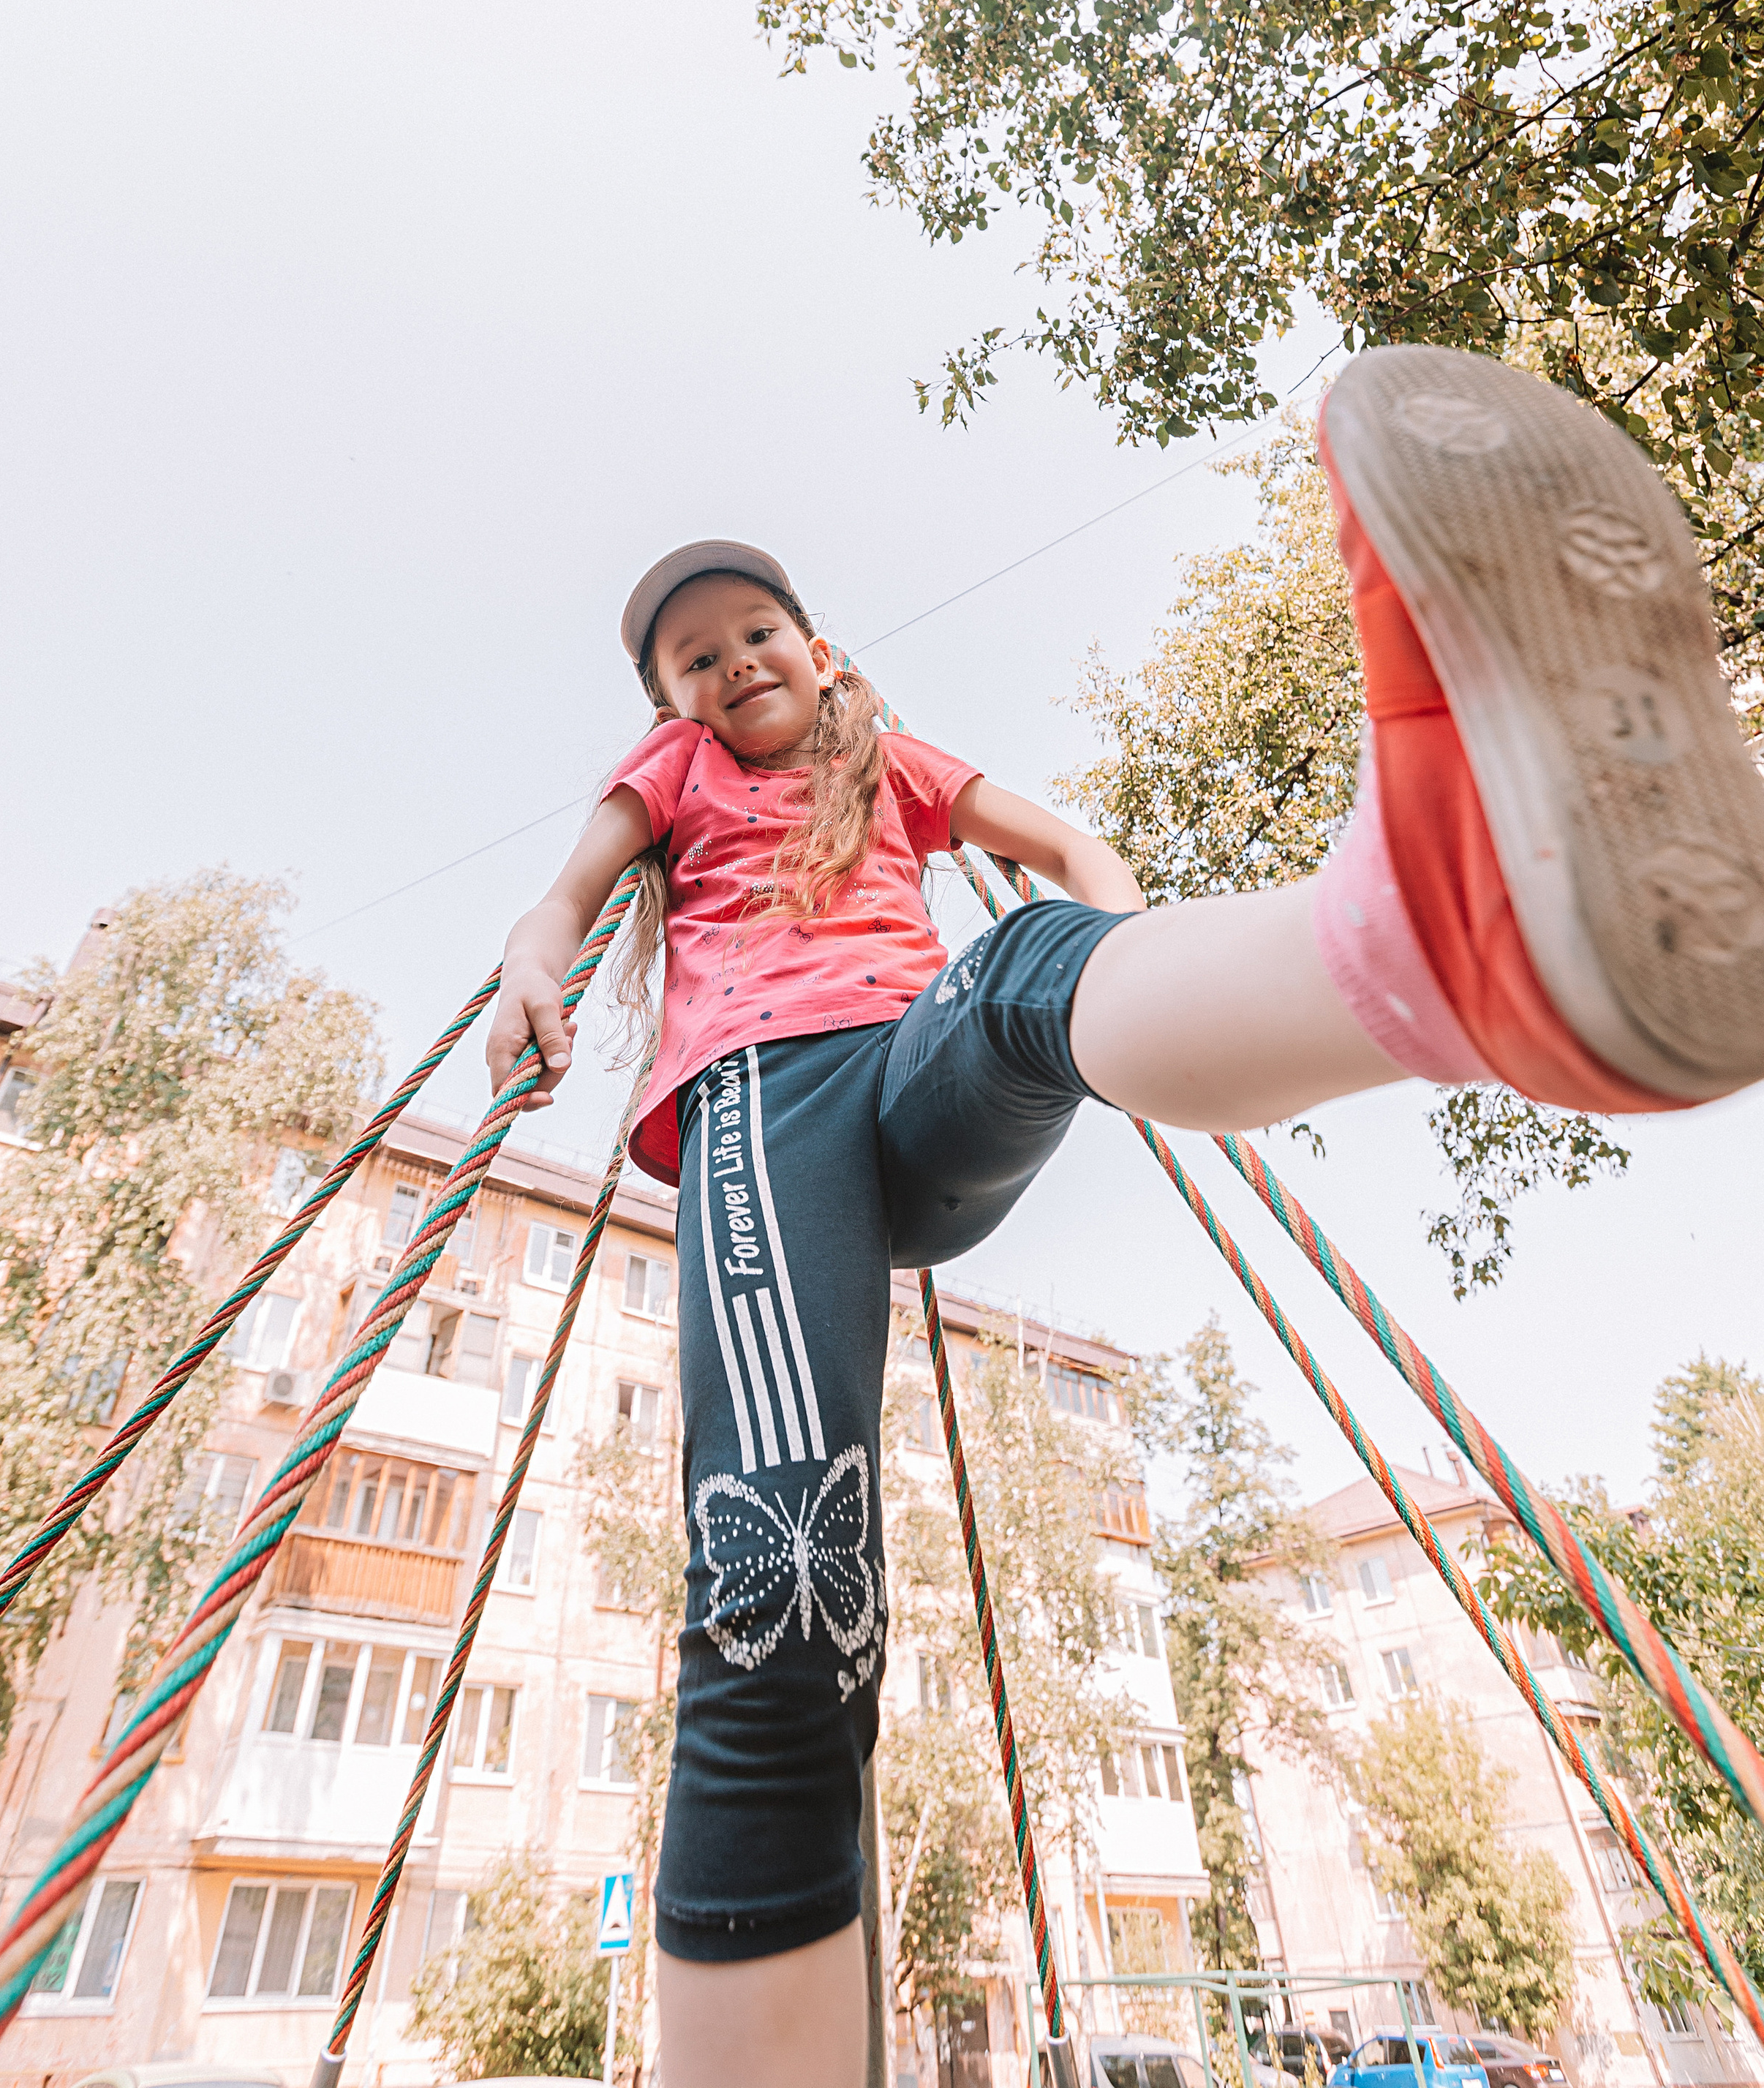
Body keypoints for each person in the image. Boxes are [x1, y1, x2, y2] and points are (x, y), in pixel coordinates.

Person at [486, 345, 1764, 2088]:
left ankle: (1435, 949)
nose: (730, 667)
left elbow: (1066, 849)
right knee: (789, 1586)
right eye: (694, 661)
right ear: (672, 706)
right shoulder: (676, 780)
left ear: (818, 648)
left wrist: (1135, 948)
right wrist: (530, 976)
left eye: (753, 635)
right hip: (762, 1121)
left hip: (914, 1074)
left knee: (1019, 966)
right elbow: (564, 896)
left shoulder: (895, 758)